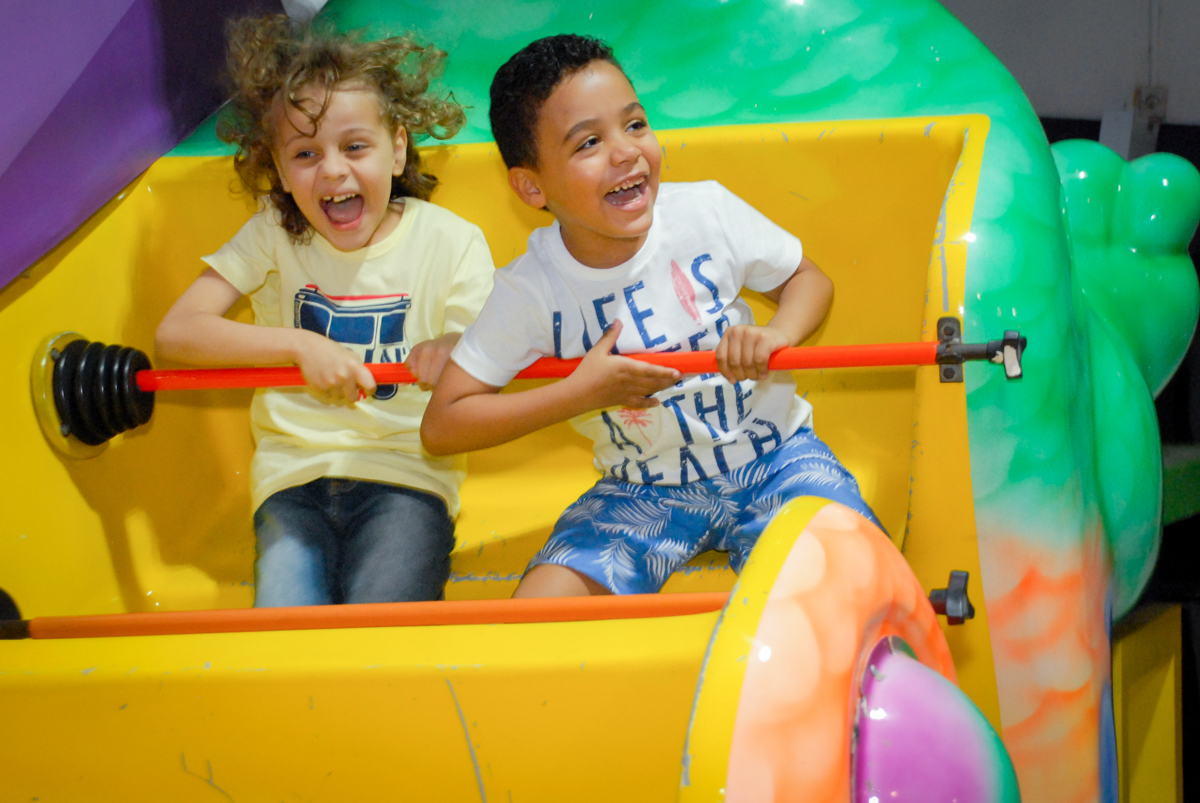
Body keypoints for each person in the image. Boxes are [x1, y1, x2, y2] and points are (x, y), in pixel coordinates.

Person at [421, 34, 879, 598]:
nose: (625, 152)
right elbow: (443, 426)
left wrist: (775, 333)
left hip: (777, 460)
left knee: (854, 576)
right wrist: (578, 395)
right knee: (539, 608)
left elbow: (809, 279)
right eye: (589, 142)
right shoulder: (530, 289)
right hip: (641, 489)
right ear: (531, 186)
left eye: (634, 124)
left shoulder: (705, 211)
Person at [156, 15, 495, 606]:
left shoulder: (451, 240)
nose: (333, 169)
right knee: (285, 627)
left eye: (355, 146)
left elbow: (491, 348)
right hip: (292, 478)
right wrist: (298, 345)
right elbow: (177, 333)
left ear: (397, 150)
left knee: (381, 617)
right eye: (306, 153)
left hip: (408, 477)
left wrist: (457, 348)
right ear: (281, 171)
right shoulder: (273, 232)